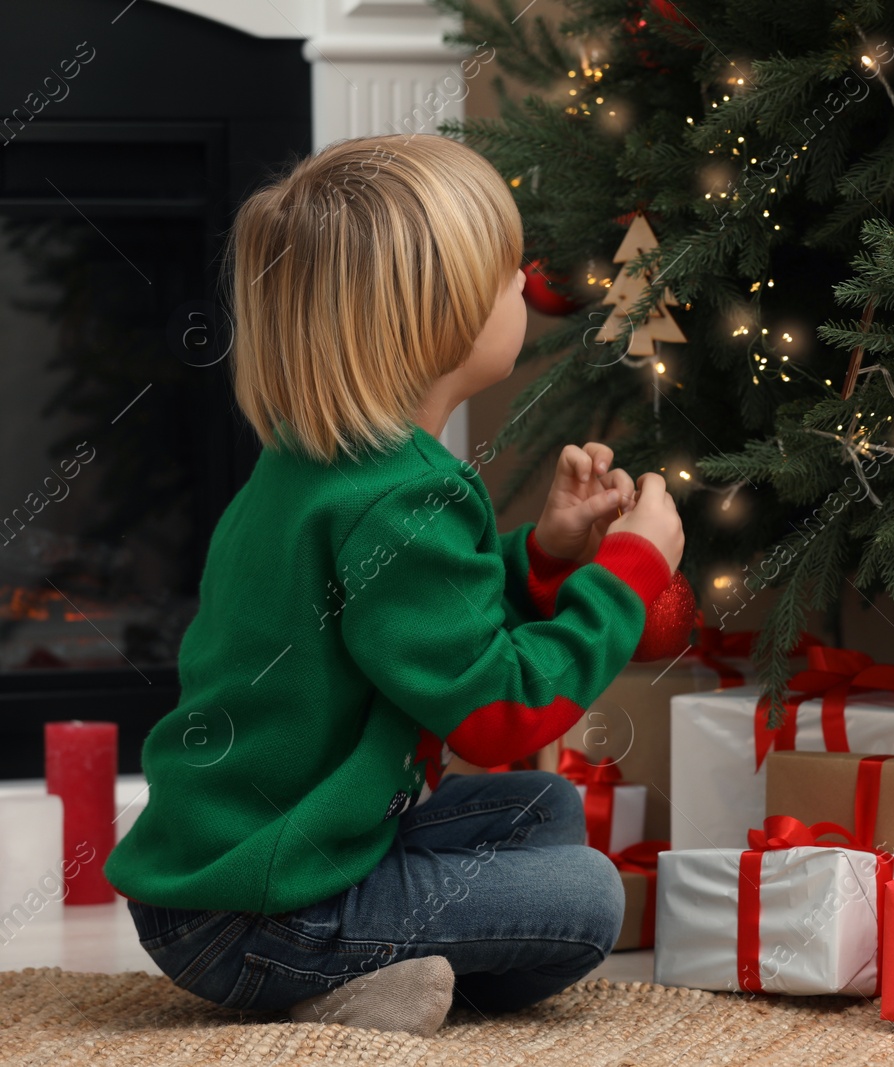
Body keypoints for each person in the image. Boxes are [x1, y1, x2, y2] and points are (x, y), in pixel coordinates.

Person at [102, 133, 684, 1037]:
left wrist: (547, 556)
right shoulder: (404, 494)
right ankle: (325, 974)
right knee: (586, 897)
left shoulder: (322, 464)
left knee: (544, 808)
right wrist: (630, 571)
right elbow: (497, 716)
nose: (524, 288)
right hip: (259, 907)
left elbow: (422, 637)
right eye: (507, 274)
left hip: (238, 874)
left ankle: (366, 972)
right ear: (439, 316)